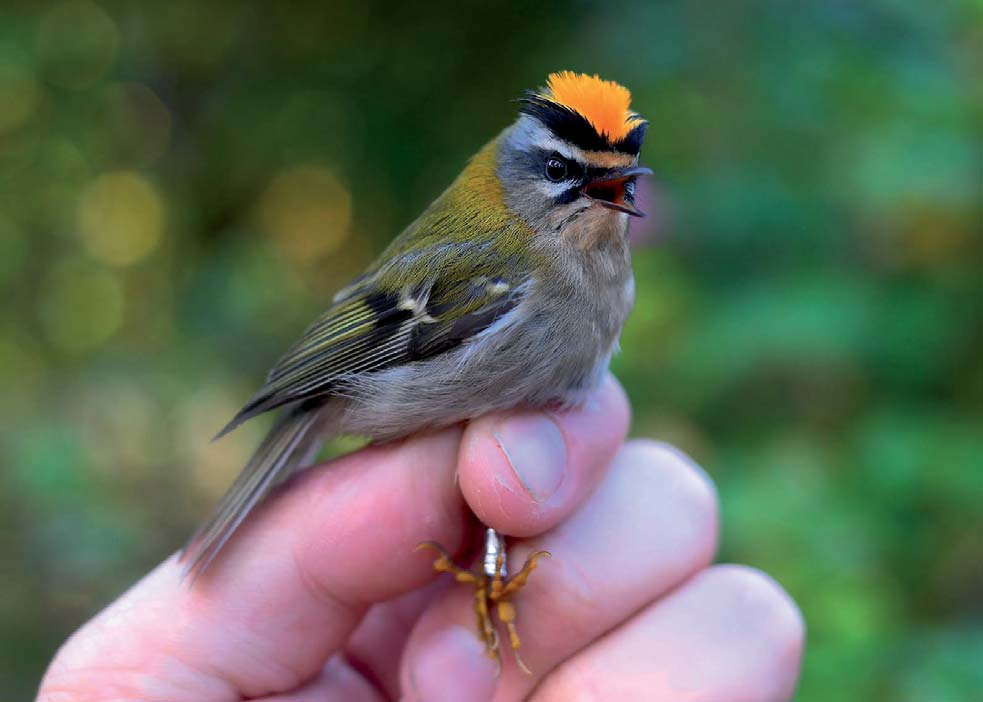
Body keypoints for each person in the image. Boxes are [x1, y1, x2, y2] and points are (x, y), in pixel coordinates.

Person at [37, 376, 804, 701]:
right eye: (570, 178)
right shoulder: (517, 261)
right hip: (372, 390)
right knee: (497, 475)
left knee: (507, 480)